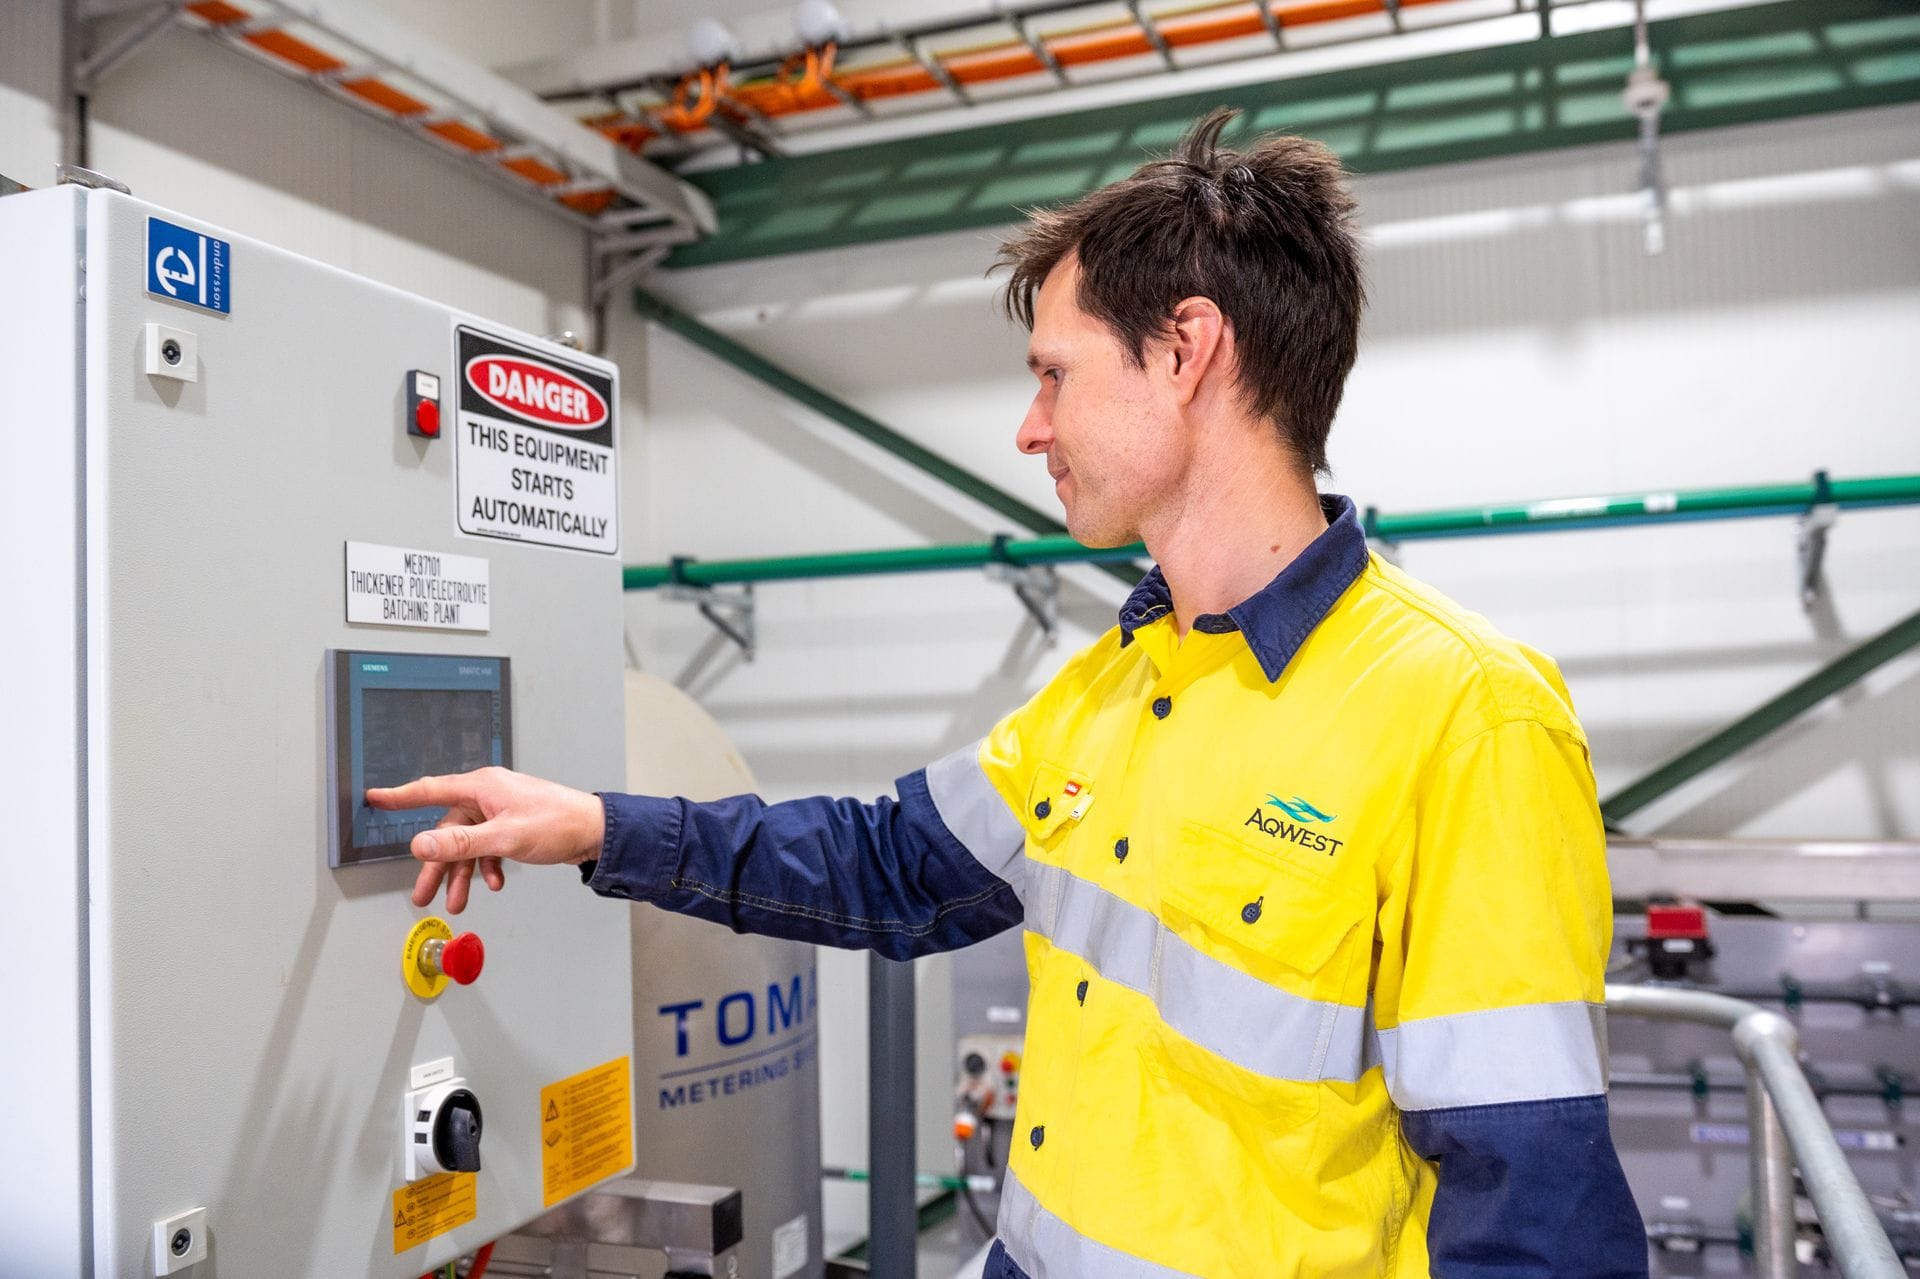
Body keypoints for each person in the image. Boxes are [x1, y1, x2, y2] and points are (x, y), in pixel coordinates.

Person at [370, 108, 1648, 1278]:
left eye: (1055, 374)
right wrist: (598, 826)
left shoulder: (1463, 712)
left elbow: (1531, 1211)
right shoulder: (1111, 688)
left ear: (1188, 351)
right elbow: (885, 863)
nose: (1030, 430)